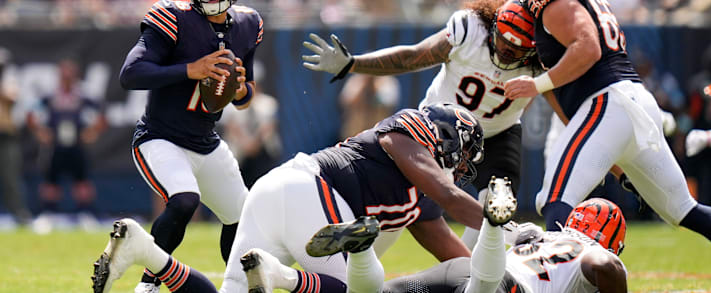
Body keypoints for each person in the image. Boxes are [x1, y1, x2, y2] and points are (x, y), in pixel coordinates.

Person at [91, 102, 505, 293]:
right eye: (464, 153)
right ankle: (284, 278)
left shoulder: (422, 196)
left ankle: (148, 252)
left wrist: (505, 275)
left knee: (232, 291)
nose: (462, 165)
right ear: (447, 138)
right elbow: (451, 196)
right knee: (357, 291)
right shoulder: (407, 135)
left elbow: (458, 264)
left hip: (278, 190)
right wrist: (500, 220)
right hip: (313, 189)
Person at [503, 0, 711, 246]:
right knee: (684, 210)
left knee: (555, 198)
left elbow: (588, 48)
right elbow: (571, 111)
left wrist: (536, 84)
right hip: (633, 104)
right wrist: (620, 170)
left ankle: (556, 278)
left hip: (608, 102)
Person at [302, 0, 542, 248]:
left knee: (498, 205)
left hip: (498, 133)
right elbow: (414, 56)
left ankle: (471, 273)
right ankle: (366, 244)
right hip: (440, 128)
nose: (506, 53)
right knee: (406, 202)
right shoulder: (470, 29)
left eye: (516, 50)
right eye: (503, 42)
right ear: (493, 27)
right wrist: (353, 64)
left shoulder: (543, 58)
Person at [118, 0, 263, 293]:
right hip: (161, 136)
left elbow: (245, 97)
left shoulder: (247, 24)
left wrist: (240, 90)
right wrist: (190, 70)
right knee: (184, 200)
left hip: (206, 141)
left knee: (244, 219)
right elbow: (131, 74)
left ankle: (235, 286)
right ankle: (148, 287)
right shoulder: (172, 16)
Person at [244, 187, 628, 293]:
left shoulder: (540, 235)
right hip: (500, 286)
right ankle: (491, 225)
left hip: (465, 269)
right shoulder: (596, 254)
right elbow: (603, 265)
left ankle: (282, 276)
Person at [26, 58, 106, 230]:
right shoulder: (51, 96)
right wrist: (41, 132)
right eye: (64, 76)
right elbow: (31, 113)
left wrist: (92, 132)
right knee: (51, 181)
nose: (67, 80)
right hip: (56, 145)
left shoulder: (82, 95)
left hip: (76, 144)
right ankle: (48, 214)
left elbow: (101, 114)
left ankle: (86, 214)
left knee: (82, 180)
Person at [0, 48, 31, 226]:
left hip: (6, 137)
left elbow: (13, 97)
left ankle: (20, 215)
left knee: (11, 178)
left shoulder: (9, 82)